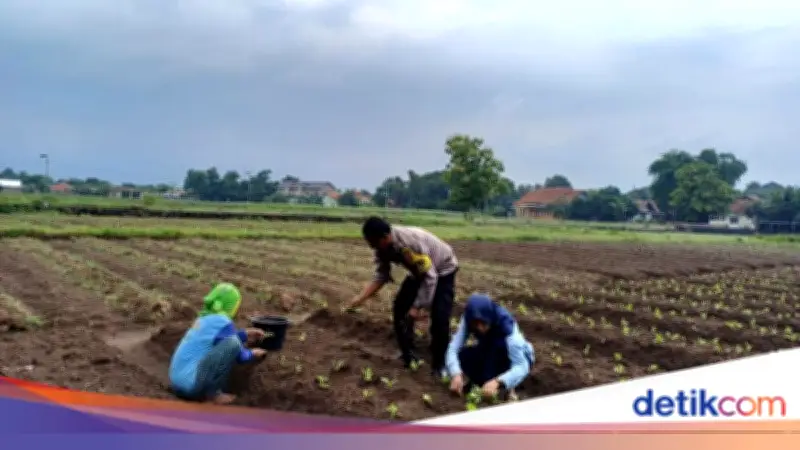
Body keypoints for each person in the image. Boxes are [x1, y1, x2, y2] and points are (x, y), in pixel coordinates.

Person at [345, 216, 458, 377]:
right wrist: (359, 299)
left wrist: (417, 307)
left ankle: (440, 363)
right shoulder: (382, 248)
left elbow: (431, 277)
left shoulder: (409, 243)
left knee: (440, 317)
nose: (373, 248)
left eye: (374, 244)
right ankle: (408, 353)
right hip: (418, 271)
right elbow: (381, 276)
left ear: (386, 237)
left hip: (443, 269)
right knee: (399, 308)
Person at [168, 283, 268, 405]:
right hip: (191, 386)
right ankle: (213, 394)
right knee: (234, 343)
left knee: (233, 341)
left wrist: (244, 335)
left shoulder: (203, 319)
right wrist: (252, 354)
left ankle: (208, 391)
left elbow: (219, 339)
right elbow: (239, 354)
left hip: (177, 383)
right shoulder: (223, 321)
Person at [446, 293, 535, 400]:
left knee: (495, 371)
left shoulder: (508, 328)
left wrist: (498, 381)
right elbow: (453, 348)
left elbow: (522, 366)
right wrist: (455, 373)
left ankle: (510, 389)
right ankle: (476, 382)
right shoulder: (469, 318)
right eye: (475, 324)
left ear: (489, 317)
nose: (479, 328)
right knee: (464, 357)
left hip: (510, 357)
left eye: (483, 323)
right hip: (488, 350)